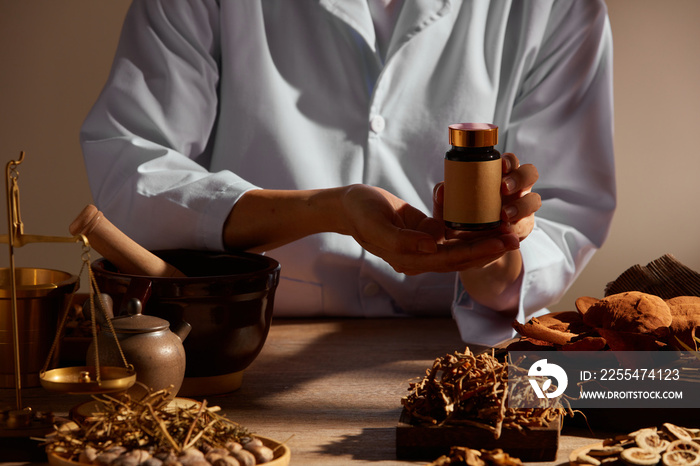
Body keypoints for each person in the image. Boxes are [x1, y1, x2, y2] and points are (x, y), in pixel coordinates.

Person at [80, 0, 615, 346]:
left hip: (451, 346)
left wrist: (492, 255)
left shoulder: (558, 8)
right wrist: (328, 210)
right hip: (248, 340)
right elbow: (132, 169)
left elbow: (565, 216)